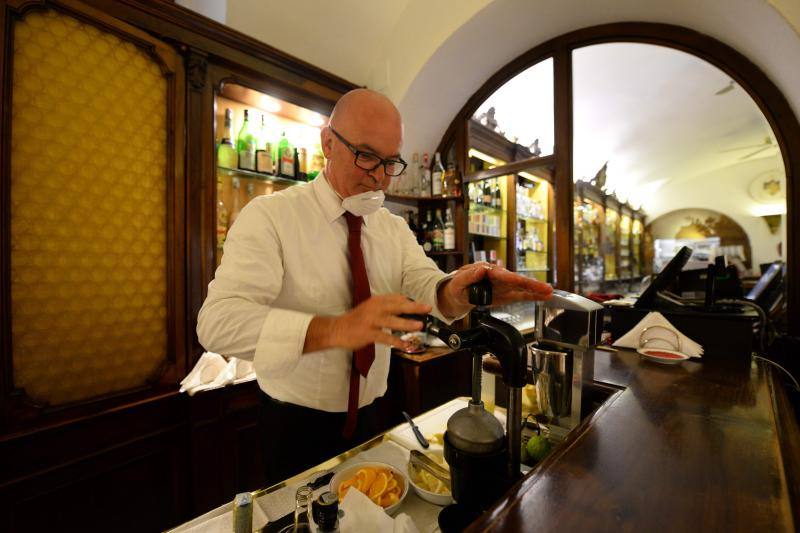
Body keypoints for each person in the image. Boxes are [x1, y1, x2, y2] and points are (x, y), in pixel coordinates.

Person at [197, 89, 553, 485]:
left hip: (374, 412)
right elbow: (217, 322)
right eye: (366, 155)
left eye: (390, 162)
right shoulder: (271, 217)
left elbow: (425, 284)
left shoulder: (392, 229)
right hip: (293, 424)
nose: (380, 176)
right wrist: (334, 329)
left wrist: (458, 291)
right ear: (327, 142)